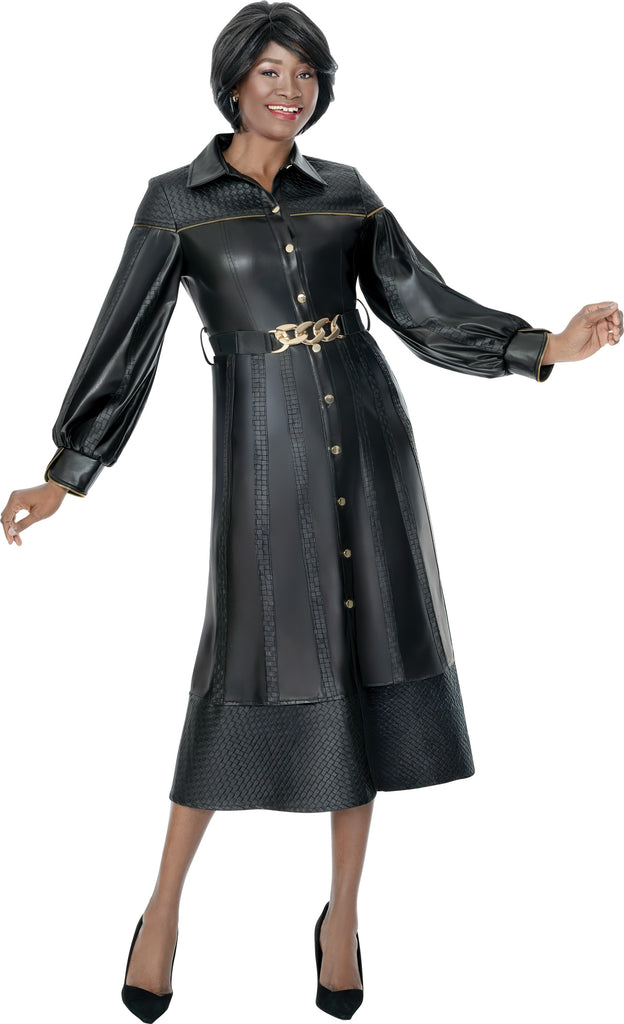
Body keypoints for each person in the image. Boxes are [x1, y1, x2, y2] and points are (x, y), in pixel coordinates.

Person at [1, 2, 621, 1021]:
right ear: (233, 82)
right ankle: (163, 910)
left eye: (306, 73)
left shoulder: (347, 192)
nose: (290, 90)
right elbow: (126, 338)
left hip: (371, 443)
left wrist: (545, 345)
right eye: (271, 71)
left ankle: (344, 919)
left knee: (364, 659)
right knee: (241, 666)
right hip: (264, 458)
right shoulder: (176, 204)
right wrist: (66, 473)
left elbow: (418, 303)